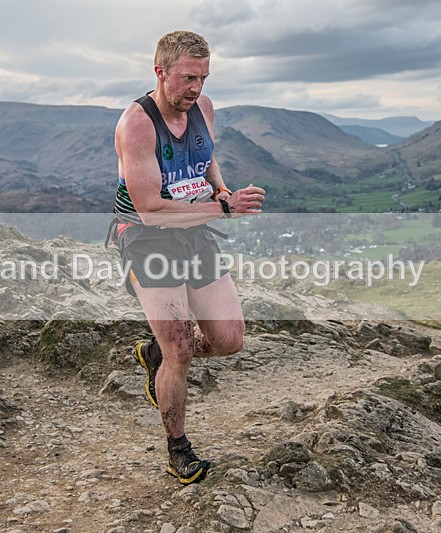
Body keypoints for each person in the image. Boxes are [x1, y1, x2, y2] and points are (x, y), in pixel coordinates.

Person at [111, 30, 265, 484]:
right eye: (187, 77)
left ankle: (157, 353)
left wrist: (220, 188)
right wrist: (221, 209)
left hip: (194, 231)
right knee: (181, 347)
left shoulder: (204, 108)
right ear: (160, 72)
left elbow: (206, 159)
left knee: (229, 339)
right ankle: (178, 447)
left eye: (203, 76)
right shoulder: (136, 124)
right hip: (147, 238)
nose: (195, 87)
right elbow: (151, 212)